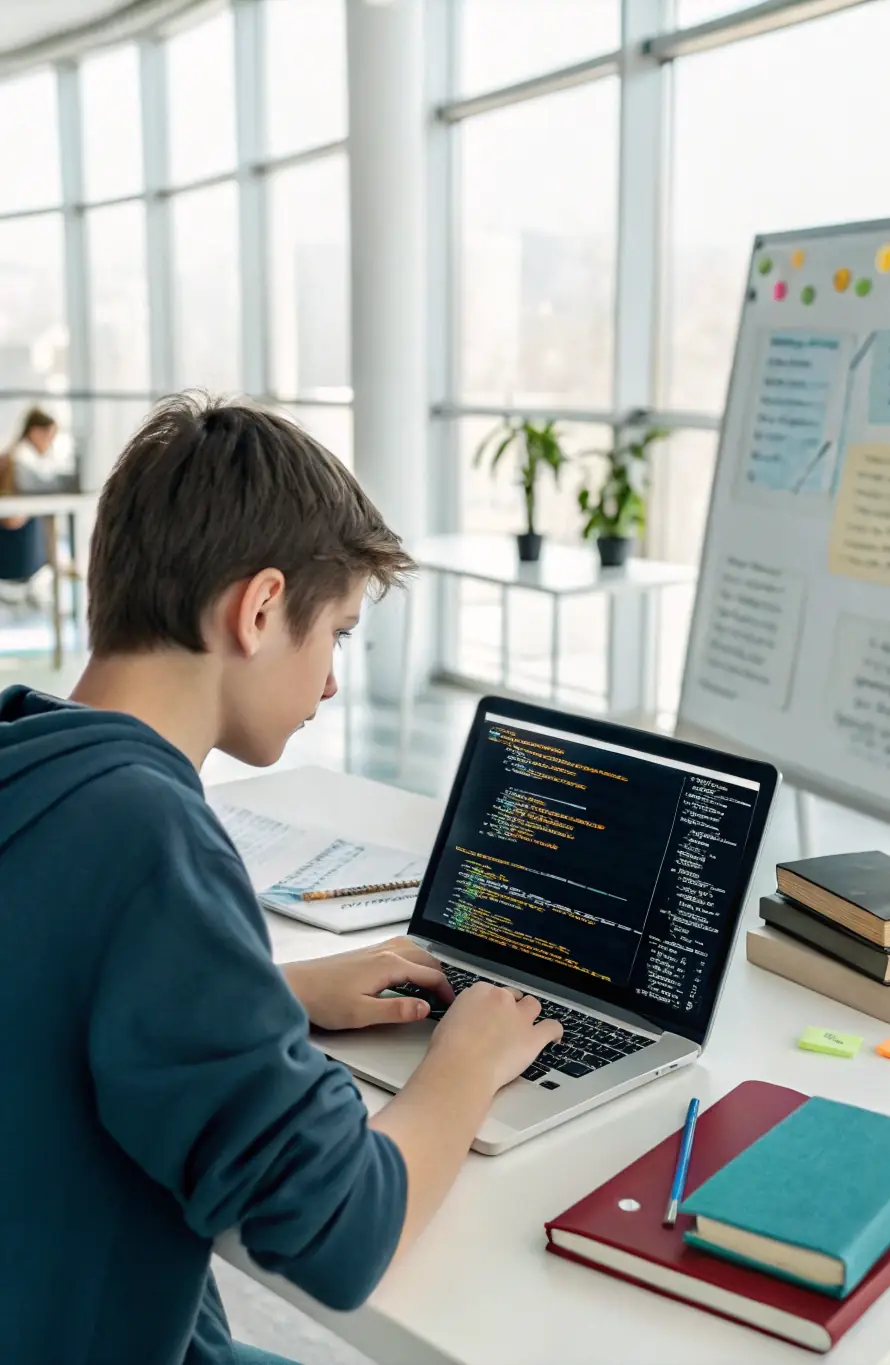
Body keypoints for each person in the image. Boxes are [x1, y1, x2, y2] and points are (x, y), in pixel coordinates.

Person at [0, 394, 562, 1365]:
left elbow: (43, 978)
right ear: (258, 609)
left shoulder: (32, 756)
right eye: (337, 633)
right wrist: (465, 1063)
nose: (334, 681)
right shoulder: (149, 840)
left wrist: (271, 991)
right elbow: (340, 1231)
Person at [0, 407, 58, 600]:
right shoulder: (18, 460)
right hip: (15, 556)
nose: (50, 443)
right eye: (49, 436)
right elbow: (12, 519)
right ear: (34, 432)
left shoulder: (13, 457)